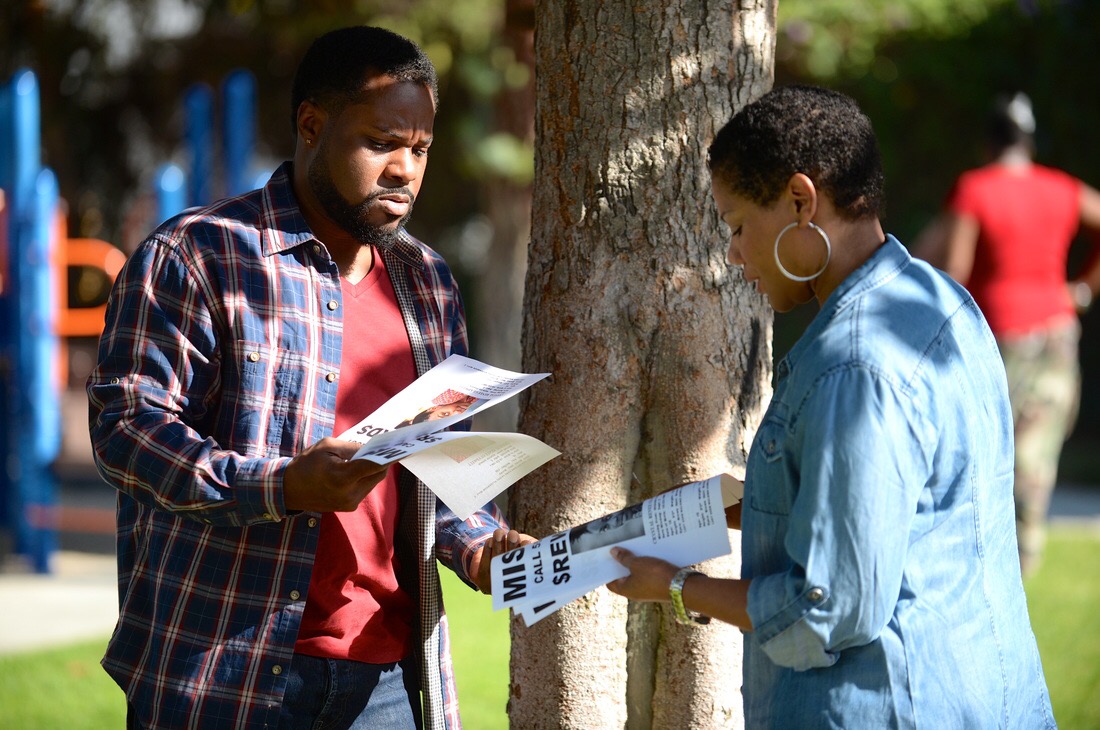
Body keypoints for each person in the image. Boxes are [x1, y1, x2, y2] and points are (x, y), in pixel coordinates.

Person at [87, 26, 530, 730]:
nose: (405, 171)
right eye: (382, 143)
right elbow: (126, 430)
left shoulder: (430, 283)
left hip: (384, 680)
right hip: (220, 670)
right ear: (312, 125)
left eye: (420, 148)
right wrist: (283, 486)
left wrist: (483, 548)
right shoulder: (198, 256)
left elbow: (442, 471)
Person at [607, 85, 1055, 728]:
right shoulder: (938, 298)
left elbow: (831, 608)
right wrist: (763, 503)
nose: (733, 254)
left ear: (799, 200)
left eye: (737, 226)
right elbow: (912, 510)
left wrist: (674, 587)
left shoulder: (855, 366)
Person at [913, 92, 1100, 576]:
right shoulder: (1062, 187)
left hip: (997, 337)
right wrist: (1081, 289)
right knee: (1037, 455)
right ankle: (1025, 556)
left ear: (987, 142)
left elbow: (954, 266)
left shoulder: (975, 188)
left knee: (987, 448)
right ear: (1030, 141)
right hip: (1057, 333)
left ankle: (992, 558)